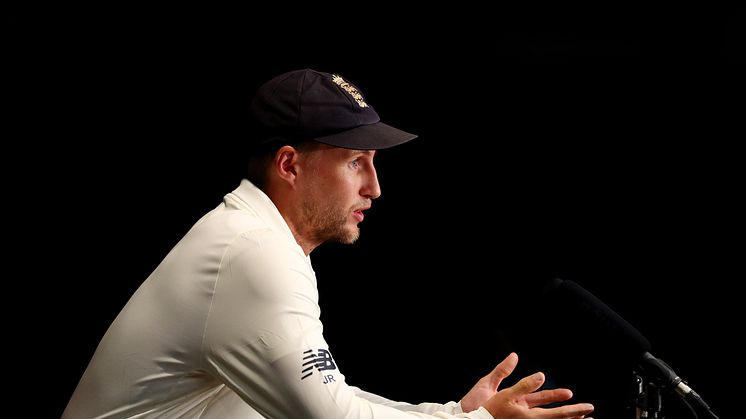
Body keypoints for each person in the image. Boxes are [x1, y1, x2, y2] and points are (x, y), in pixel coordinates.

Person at [63, 68, 594, 418]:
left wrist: (456, 415)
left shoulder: (255, 238)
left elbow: (331, 399)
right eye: (354, 162)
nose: (375, 187)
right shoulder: (253, 254)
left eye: (374, 164)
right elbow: (333, 418)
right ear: (290, 165)